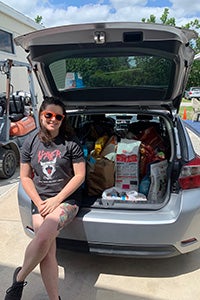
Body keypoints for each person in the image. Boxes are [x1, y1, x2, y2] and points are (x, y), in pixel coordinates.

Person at [4, 97, 86, 300]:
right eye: (48, 114)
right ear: (41, 115)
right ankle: (54, 298)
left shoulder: (71, 142)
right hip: (40, 200)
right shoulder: (30, 142)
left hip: (66, 200)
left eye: (58, 116)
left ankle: (19, 279)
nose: (53, 119)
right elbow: (24, 177)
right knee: (47, 249)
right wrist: (39, 202)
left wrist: (56, 200)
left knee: (43, 237)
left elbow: (80, 175)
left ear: (63, 119)